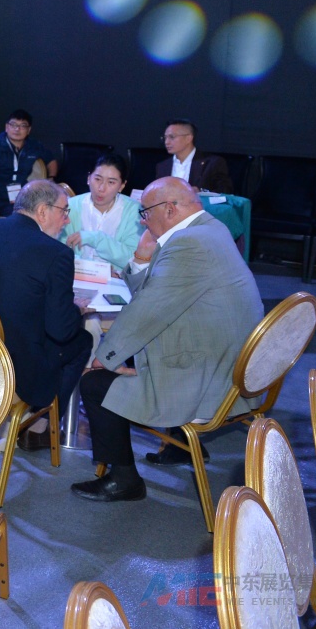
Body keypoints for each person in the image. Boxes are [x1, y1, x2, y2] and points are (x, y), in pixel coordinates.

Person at [70, 177, 263, 502]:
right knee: (139, 349)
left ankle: (124, 480)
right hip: (230, 363)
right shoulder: (210, 228)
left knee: (94, 382)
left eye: (145, 213)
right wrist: (142, 258)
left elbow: (147, 309)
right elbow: (157, 295)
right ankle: (183, 446)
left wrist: (104, 358)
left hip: (211, 382)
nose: (143, 221)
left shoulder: (188, 244)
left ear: (169, 209)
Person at [0, 180, 93, 445]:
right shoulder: (57, 254)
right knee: (82, 340)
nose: (66, 220)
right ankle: (40, 424)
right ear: (42, 211)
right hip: (12, 367)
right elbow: (60, 330)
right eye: (64, 211)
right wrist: (76, 309)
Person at [0, 109, 59, 221]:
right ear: (6, 127)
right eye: (13, 124)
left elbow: (51, 160)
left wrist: (51, 178)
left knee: (28, 216)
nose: (17, 129)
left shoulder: (34, 146)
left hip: (17, 197)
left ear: (29, 130)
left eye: (22, 126)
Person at [61, 154, 142, 270]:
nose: (101, 188)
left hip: (116, 278)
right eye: (97, 179)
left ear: (122, 186)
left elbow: (133, 259)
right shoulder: (71, 206)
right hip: (74, 274)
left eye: (111, 182)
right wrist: (94, 269)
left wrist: (97, 238)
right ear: (88, 178)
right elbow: (60, 249)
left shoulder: (134, 210)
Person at [154, 118, 233, 193]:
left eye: (172, 137)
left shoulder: (212, 163)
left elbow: (225, 191)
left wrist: (200, 192)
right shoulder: (162, 167)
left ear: (188, 138)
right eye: (165, 138)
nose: (166, 142)